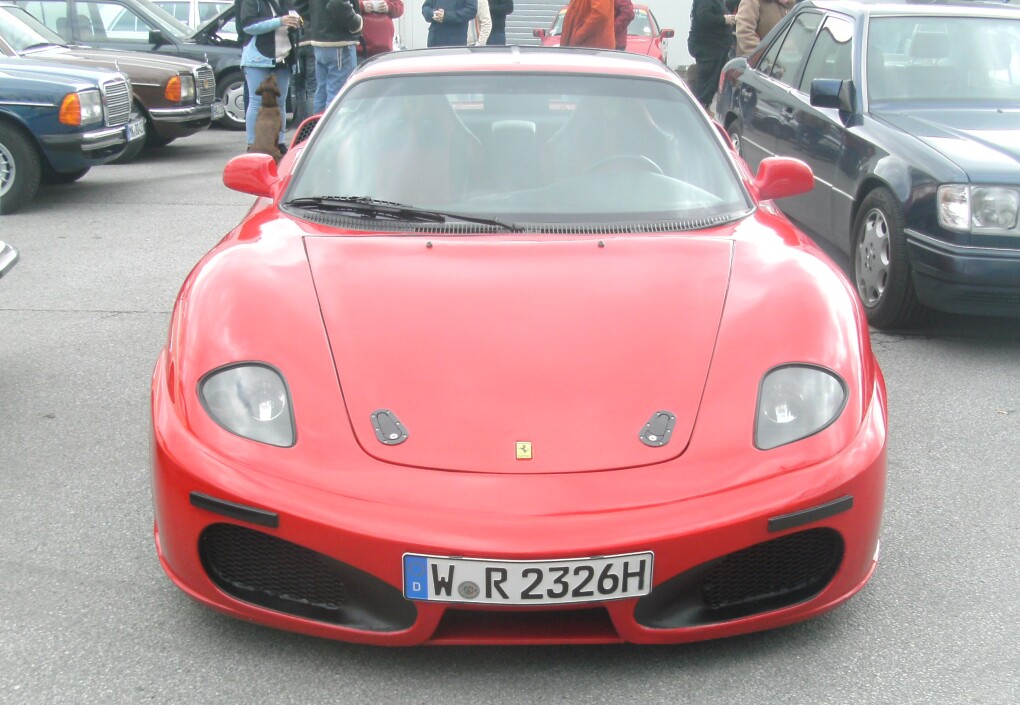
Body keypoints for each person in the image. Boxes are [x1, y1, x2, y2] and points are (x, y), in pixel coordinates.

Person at [239, 0, 301, 154]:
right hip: (257, 59)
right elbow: (248, 26)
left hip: (284, 57)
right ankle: (252, 143)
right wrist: (279, 21)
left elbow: (294, 18)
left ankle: (279, 142)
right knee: (256, 101)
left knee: (280, 103)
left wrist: (297, 22)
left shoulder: (286, 2)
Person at [298, 0, 363, 113]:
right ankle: (331, 125)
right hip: (339, 42)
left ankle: (318, 124)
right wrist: (356, 23)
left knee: (321, 95)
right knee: (337, 97)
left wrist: (317, 19)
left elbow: (299, 4)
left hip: (320, 41)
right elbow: (337, 3)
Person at [687, 0, 736, 110]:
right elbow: (704, 17)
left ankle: (704, 107)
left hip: (717, 47)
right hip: (708, 47)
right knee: (706, 82)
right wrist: (724, 19)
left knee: (714, 81)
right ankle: (700, 109)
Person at [289, 4, 316, 125]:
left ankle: (298, 122)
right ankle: (311, 124)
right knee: (312, 87)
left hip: (295, 43)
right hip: (312, 40)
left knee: (296, 88)